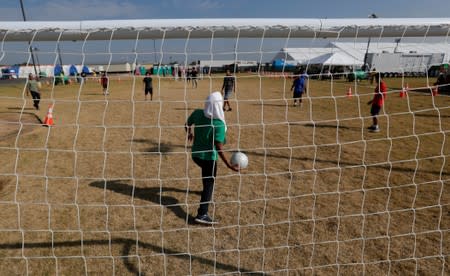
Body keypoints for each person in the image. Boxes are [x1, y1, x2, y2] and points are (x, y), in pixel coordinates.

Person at [185, 91, 239, 225]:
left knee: (206, 175)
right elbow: (219, 147)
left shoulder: (197, 113)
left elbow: (186, 124)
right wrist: (228, 165)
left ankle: (204, 193)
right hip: (209, 158)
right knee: (209, 183)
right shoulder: (219, 124)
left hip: (196, 156)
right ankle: (202, 214)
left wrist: (190, 133)